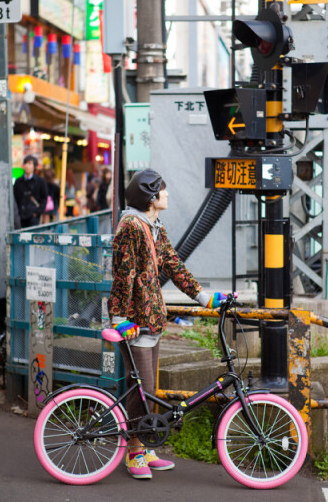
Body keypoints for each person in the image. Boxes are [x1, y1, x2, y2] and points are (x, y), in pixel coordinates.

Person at [108, 168, 227, 480]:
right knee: (142, 390)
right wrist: (119, 319)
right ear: (150, 196)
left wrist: (204, 297)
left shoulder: (152, 224)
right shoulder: (131, 226)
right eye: (162, 189)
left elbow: (173, 262)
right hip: (135, 324)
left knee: (150, 389)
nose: (167, 193)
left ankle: (146, 447)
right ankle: (134, 451)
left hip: (151, 321)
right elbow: (124, 274)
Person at [13, 155, 48, 228]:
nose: (27, 166)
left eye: (29, 164)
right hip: (20, 216)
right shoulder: (18, 181)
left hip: (33, 217)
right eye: (25, 163)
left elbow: (44, 198)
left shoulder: (40, 181)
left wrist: (37, 212)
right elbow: (15, 198)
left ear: (34, 166)